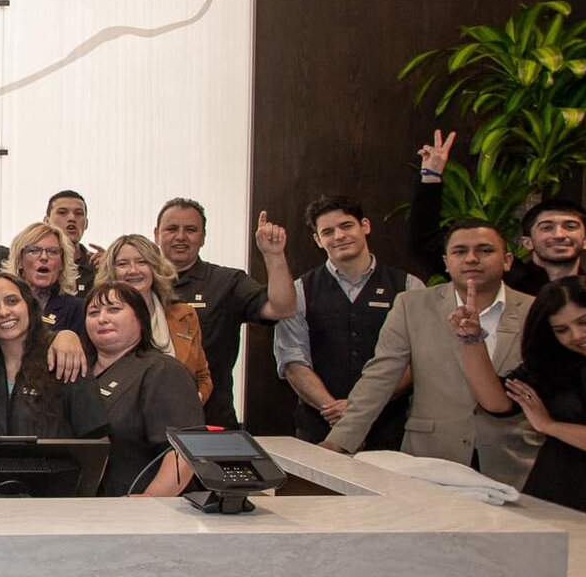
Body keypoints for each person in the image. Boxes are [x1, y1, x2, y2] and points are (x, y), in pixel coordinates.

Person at [324, 219, 540, 487]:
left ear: (507, 260)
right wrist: (338, 442)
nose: (472, 259)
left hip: (514, 462)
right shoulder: (412, 306)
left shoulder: (537, 312)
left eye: (485, 250)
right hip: (431, 459)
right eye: (460, 252)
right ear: (446, 263)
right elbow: (379, 379)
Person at [274, 195, 423, 449]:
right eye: (328, 232)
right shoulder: (298, 291)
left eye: (346, 226)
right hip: (320, 427)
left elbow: (416, 361)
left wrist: (356, 411)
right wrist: (335, 411)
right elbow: (292, 360)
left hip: (389, 428)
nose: (339, 236)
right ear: (318, 241)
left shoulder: (409, 287)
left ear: (364, 226)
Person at [154, 198, 297, 428]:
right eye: (172, 229)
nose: (180, 236)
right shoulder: (138, 282)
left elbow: (282, 308)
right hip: (149, 421)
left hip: (210, 419)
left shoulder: (227, 282)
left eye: (190, 229)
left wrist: (274, 255)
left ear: (203, 237)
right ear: (156, 234)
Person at [450, 276, 586, 509]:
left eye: (584, 321)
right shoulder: (557, 364)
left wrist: (550, 426)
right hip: (559, 492)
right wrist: (472, 338)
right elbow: (497, 404)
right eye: (562, 329)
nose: (576, 335)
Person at [412, 129, 583, 292]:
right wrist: (431, 176)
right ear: (527, 242)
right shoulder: (504, 277)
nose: (559, 235)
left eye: (570, 226)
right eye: (546, 227)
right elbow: (427, 241)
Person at [0, 272, 109, 441]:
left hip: (61, 467)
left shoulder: (64, 358)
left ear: (29, 305)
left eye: (12, 301)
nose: (4, 312)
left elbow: (98, 443)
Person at [81, 282, 202, 497]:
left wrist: (150, 500)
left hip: (140, 512)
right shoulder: (78, 370)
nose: (102, 318)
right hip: (85, 510)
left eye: (114, 309)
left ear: (140, 317)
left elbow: (183, 452)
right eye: (93, 312)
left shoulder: (163, 371)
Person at [95, 234, 214, 404]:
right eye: (123, 264)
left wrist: (193, 401)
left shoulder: (184, 315)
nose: (133, 270)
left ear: (155, 268)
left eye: (142, 262)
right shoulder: (98, 318)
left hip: (176, 420)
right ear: (111, 271)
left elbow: (202, 376)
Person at [5, 221, 86, 335]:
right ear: (20, 261)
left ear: (62, 263)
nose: (44, 257)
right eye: (34, 251)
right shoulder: (4, 306)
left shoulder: (77, 309)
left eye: (52, 252)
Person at [46, 191, 104, 284]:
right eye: (62, 212)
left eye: (78, 213)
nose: (72, 218)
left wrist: (109, 272)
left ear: (86, 223)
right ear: (46, 221)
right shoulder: (37, 263)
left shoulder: (97, 265)